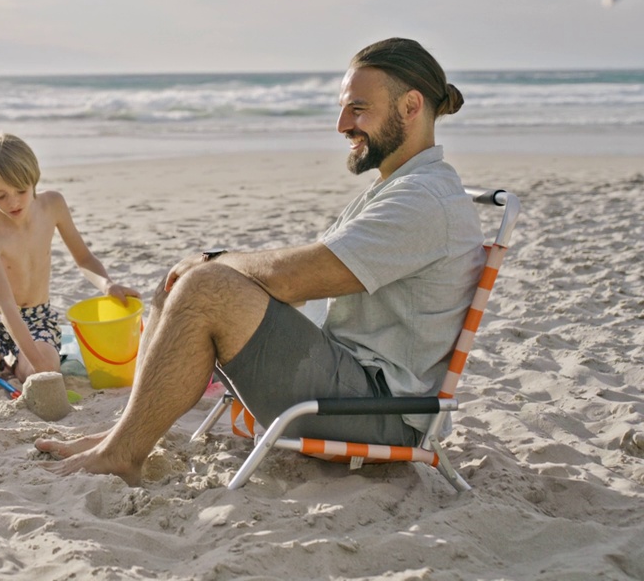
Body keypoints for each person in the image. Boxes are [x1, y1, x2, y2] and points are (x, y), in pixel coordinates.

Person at [37, 38, 485, 485]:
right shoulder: (403, 187)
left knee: (205, 285)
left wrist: (216, 265)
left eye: (358, 109)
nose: (341, 124)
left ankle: (122, 454)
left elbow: (295, 279)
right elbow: (304, 275)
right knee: (184, 280)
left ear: (410, 106)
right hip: (351, 385)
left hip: (379, 414)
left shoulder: (422, 200)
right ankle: (122, 436)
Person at [0, 132, 139, 396]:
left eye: (21, 191)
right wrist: (35, 355)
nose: (13, 202)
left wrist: (107, 284)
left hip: (37, 315)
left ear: (34, 180)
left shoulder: (53, 205)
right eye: (0, 196)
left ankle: (15, 365)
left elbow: (84, 258)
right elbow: (4, 306)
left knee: (40, 375)